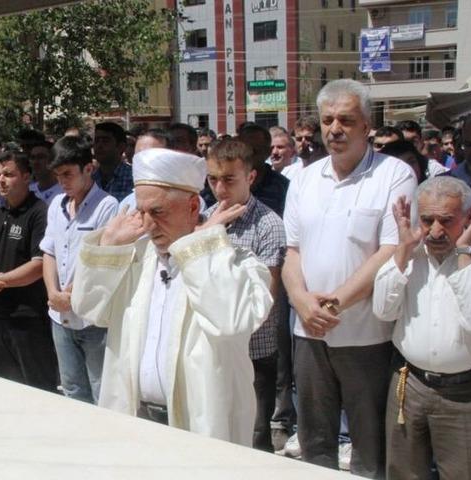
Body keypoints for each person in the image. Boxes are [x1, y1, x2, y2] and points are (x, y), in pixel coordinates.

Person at [71, 147, 272, 445]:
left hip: (198, 429)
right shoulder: (135, 259)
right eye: (141, 211)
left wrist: (202, 245)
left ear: (193, 207)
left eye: (158, 211)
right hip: (135, 422)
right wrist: (108, 245)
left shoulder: (236, 262)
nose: (148, 224)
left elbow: (231, 321)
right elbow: (86, 309)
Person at [282, 80, 417, 477]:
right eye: (327, 120)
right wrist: (301, 302)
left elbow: (390, 250)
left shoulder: (394, 174)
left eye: (346, 120)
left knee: (369, 443)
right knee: (314, 441)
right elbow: (292, 252)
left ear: (367, 125)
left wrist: (334, 302)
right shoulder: (305, 178)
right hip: (308, 332)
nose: (334, 129)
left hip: (366, 336)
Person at [374, 177, 471, 480]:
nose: (436, 231)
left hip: (465, 394)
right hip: (409, 384)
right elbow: (383, 310)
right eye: (427, 220)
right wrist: (402, 249)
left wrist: (464, 251)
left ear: (469, 217)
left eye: (447, 221)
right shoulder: (410, 257)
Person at [205, 139, 287, 452]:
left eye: (229, 179)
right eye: (213, 179)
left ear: (250, 177)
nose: (219, 188)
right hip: (213, 346)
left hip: (254, 349)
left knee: (253, 435)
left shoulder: (269, 225)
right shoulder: (205, 217)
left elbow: (265, 297)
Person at [40, 136, 118, 403]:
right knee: (72, 388)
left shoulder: (107, 207)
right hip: (59, 314)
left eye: (68, 174)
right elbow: (48, 251)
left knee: (100, 390)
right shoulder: (56, 206)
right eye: (58, 175)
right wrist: (53, 292)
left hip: (91, 317)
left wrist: (71, 294)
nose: (63, 181)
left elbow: (101, 261)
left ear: (89, 168)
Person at [0, 150, 57, 391]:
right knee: (6, 388)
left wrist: (1, 281)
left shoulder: (40, 212)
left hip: (27, 318)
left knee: (37, 388)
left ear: (27, 176)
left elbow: (39, 264)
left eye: (9, 174)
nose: (1, 180)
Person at [238, 123, 290, 217]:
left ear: (267, 152)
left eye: (254, 150)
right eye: (244, 149)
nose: (248, 155)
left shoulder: (283, 186)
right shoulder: (228, 182)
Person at [92, 122, 133, 201]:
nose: (99, 146)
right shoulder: (90, 180)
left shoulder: (133, 178)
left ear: (121, 147)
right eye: (97, 141)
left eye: (105, 141)